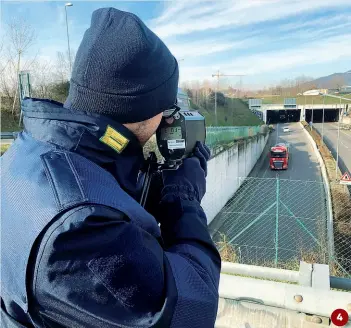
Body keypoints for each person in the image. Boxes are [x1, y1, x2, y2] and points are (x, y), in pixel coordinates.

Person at [1, 7, 221, 328]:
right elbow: (190, 309)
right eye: (167, 107)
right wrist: (183, 200)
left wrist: (150, 185)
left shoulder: (31, 154)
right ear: (146, 108)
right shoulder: (80, 226)